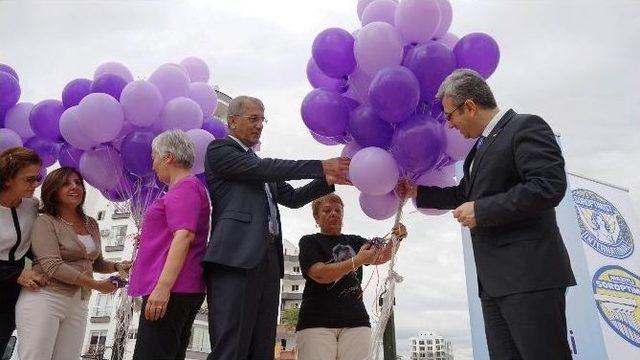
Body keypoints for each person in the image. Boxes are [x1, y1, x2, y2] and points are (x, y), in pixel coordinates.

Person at [397, 69, 576, 360]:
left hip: (529, 277)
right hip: (493, 284)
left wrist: (483, 210)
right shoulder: (477, 152)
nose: (450, 125)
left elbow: (549, 186)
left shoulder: (525, 127)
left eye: (450, 115)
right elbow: (463, 195)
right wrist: (417, 192)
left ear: (469, 106)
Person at [203, 95, 350, 360]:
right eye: (253, 119)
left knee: (261, 347)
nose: (260, 125)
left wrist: (326, 179)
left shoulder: (260, 168)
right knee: (231, 346)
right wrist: (319, 166)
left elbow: (292, 199)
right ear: (232, 121)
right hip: (235, 259)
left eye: (262, 120)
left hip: (268, 261)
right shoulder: (220, 151)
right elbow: (263, 168)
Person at [15, 167, 130, 360]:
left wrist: (118, 266)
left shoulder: (91, 223)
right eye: (66, 183)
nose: (74, 187)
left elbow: (95, 261)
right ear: (53, 190)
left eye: (78, 183)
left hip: (79, 303)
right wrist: (97, 285)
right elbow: (52, 265)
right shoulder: (45, 221)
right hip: (45, 298)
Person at [129, 130, 211, 359]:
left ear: (168, 157)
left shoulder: (184, 187)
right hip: (180, 287)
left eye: (154, 157)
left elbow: (184, 235)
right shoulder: (187, 188)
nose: (153, 164)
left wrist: (163, 287)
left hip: (173, 288)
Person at [296, 194, 407, 360]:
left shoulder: (355, 241)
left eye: (338, 210)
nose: (333, 213)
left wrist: (396, 239)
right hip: (315, 322)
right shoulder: (309, 242)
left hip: (356, 321)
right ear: (316, 217)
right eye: (327, 210)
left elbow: (382, 256)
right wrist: (358, 260)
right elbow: (319, 274)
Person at [0, 147, 48, 356]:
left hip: (11, 294)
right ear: (8, 179)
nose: (35, 184)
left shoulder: (32, 206)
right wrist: (17, 273)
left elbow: (33, 246)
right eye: (28, 179)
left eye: (37, 178)